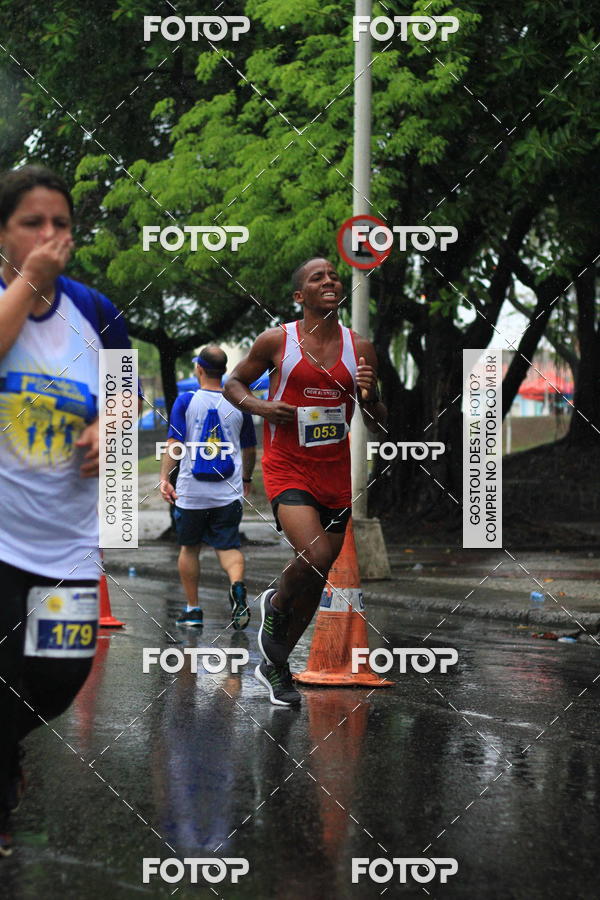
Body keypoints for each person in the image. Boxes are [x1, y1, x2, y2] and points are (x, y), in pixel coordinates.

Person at [0, 165, 133, 855]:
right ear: (2, 235)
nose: (51, 237)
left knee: (55, 680)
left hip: (68, 546)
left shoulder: (98, 311)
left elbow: (125, 396)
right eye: (32, 224)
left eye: (61, 225)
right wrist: (27, 283)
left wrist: (109, 428)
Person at [224, 257, 387, 706]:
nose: (330, 280)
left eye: (334, 275)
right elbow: (233, 384)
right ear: (301, 296)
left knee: (317, 577)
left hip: (334, 474)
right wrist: (261, 408)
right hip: (287, 465)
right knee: (315, 555)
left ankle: (276, 667)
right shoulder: (278, 341)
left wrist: (368, 396)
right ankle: (275, 603)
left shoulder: (362, 349)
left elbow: (378, 422)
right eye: (318, 277)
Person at [159, 345, 257, 630]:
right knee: (228, 547)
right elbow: (250, 450)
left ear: (199, 369)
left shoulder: (186, 400)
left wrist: (165, 478)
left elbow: (174, 446)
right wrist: (247, 479)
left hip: (192, 493)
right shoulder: (240, 403)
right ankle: (237, 587)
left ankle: (193, 610)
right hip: (228, 492)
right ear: (224, 371)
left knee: (189, 549)